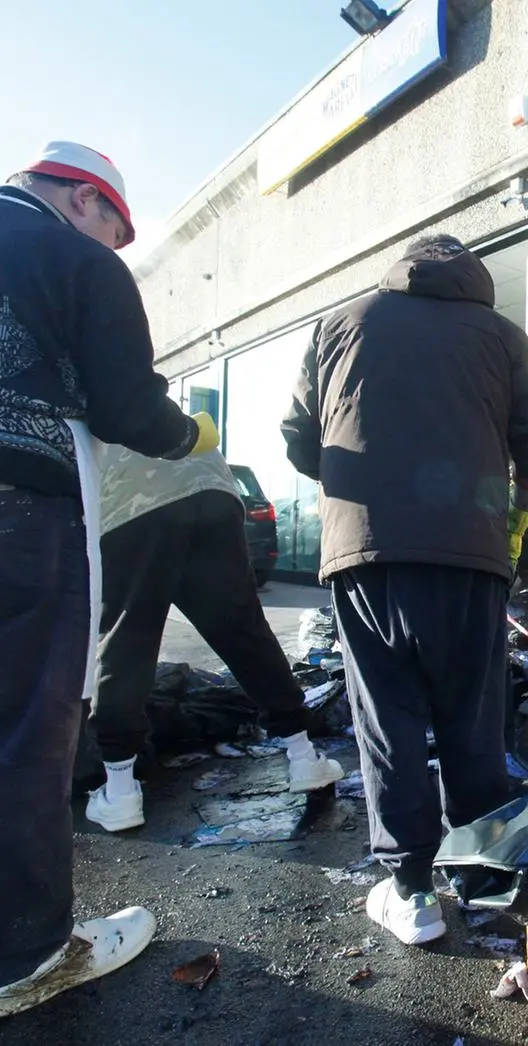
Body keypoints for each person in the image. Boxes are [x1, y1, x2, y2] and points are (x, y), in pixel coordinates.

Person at [282, 233, 528, 945]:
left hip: (365, 554)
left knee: (388, 717)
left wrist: (356, 494)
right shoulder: (501, 335)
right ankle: (481, 873)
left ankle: (410, 892)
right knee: (472, 714)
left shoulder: (341, 322)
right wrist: (520, 517)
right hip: (471, 552)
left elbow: (296, 435)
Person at [0, 141, 217, 1017]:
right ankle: (27, 952)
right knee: (27, 724)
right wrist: (191, 437)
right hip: (18, 503)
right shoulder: (70, 255)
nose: (116, 247)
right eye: (116, 230)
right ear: (84, 200)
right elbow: (128, 406)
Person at [86, 445, 344, 832]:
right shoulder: (141, 390)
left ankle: (121, 791)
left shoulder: (67, 389)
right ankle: (304, 756)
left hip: (132, 500)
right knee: (244, 631)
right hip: (208, 483)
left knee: (128, 641)